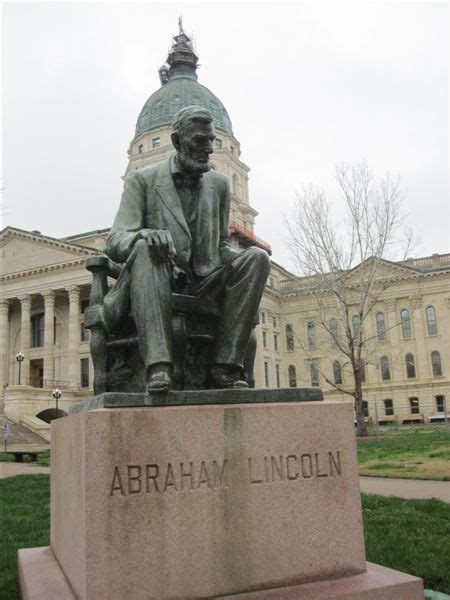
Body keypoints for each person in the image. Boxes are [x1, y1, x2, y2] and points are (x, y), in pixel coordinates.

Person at [106, 106, 269, 392]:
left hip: (205, 278)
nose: (208, 148)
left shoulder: (218, 184)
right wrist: (145, 235)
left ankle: (225, 367)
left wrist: (244, 263)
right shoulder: (141, 181)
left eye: (211, 140)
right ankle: (158, 367)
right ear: (178, 141)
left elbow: (220, 247)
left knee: (256, 257)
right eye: (199, 141)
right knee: (146, 248)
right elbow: (116, 239)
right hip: (158, 277)